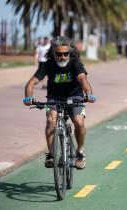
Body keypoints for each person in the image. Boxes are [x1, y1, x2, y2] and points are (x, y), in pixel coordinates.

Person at [23, 36, 96, 169]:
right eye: (59, 54)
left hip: (74, 97)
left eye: (65, 54)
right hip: (54, 98)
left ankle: (80, 151)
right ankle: (51, 154)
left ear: (69, 53)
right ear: (53, 53)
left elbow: (83, 80)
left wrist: (89, 94)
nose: (62, 57)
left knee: (79, 122)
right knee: (51, 120)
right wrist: (28, 97)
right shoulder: (48, 64)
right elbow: (31, 82)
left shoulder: (75, 63)